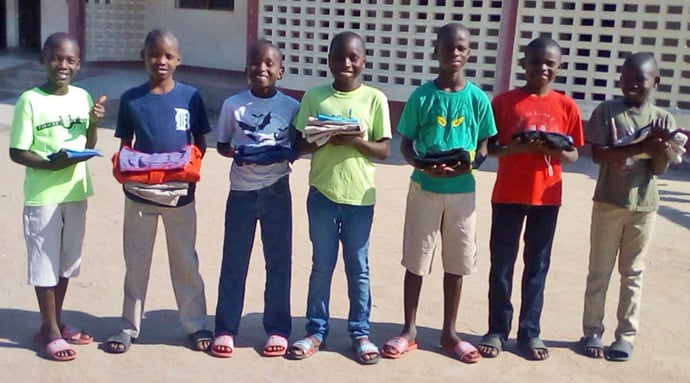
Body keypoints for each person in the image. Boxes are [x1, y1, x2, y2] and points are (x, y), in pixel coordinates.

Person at [380, 23, 496, 364]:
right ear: (436, 51)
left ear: (469, 52)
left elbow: (485, 145)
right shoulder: (422, 97)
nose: (454, 54)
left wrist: (468, 166)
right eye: (448, 48)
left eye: (461, 48)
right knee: (416, 260)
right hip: (425, 189)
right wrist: (421, 164)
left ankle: (449, 333)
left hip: (462, 194)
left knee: (456, 263)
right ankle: (409, 330)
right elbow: (405, 144)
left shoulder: (477, 99)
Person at [286, 31, 392, 365]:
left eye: (353, 57)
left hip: (360, 196)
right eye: (338, 57)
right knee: (321, 265)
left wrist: (354, 140)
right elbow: (299, 144)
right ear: (328, 59)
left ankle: (360, 332)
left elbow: (384, 149)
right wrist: (321, 138)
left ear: (363, 61)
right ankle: (316, 330)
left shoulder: (375, 99)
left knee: (358, 266)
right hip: (323, 193)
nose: (345, 63)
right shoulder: (315, 96)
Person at [104, 28, 213, 354]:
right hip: (139, 196)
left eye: (167, 55)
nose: (160, 60)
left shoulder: (190, 97)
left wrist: (182, 173)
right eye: (154, 54)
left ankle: (195, 325)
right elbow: (125, 146)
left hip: (179, 195)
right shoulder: (131, 100)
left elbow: (200, 143)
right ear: (143, 58)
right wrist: (138, 176)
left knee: (185, 261)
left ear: (178, 60)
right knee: (136, 262)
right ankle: (128, 326)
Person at [477, 37, 584, 361]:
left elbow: (575, 153)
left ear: (558, 67)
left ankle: (529, 332)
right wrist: (518, 148)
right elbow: (489, 148)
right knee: (502, 265)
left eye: (550, 63)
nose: (543, 68)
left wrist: (554, 149)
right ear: (523, 65)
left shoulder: (566, 107)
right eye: (536, 62)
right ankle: (497, 329)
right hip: (508, 194)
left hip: (546, 199)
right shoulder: (506, 102)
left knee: (537, 267)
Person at [9, 32, 106, 361]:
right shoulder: (30, 100)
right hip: (43, 195)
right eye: (56, 58)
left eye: (70, 60)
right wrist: (50, 165)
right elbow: (17, 151)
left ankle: (55, 321)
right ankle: (49, 331)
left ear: (78, 64)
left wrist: (93, 123)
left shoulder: (82, 96)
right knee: (45, 263)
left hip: (76, 190)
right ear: (43, 60)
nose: (62, 65)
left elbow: (88, 140)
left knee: (66, 262)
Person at [580, 52, 677, 362]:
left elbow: (659, 169)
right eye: (627, 78)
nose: (632, 84)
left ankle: (626, 336)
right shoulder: (607, 112)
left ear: (655, 83)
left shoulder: (663, 119)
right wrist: (642, 146)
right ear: (619, 79)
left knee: (633, 272)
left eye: (641, 80)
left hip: (644, 206)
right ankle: (592, 331)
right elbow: (599, 155)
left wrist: (660, 148)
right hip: (609, 201)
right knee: (599, 271)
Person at [209, 40, 299, 358]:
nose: (262, 68)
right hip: (241, 194)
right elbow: (221, 145)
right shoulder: (233, 105)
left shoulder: (291, 107)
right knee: (234, 262)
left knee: (278, 263)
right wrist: (239, 154)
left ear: (280, 71)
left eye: (269, 63)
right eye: (255, 62)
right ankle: (225, 328)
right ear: (246, 68)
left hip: (277, 191)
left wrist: (279, 154)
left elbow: (297, 147)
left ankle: (277, 328)